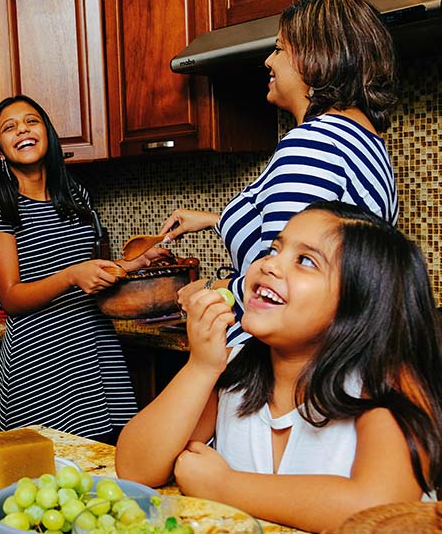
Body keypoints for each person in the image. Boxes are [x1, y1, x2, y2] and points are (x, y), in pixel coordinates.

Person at [117, 201, 442, 532]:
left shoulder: (389, 383)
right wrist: (199, 368)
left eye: (306, 261)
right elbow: (136, 468)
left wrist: (224, 486)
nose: (269, 265)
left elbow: (382, 508)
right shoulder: (232, 368)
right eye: (274, 250)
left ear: (361, 300)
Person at [157, 0, 398, 347]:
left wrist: (210, 289)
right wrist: (216, 220)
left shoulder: (314, 142)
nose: (269, 61)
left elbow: (280, 283)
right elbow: (318, 243)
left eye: (280, 48)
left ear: (316, 58)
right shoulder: (365, 141)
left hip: (278, 362)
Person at [0, 95, 164, 444]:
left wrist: (131, 264)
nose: (22, 130)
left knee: (104, 461)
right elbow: (11, 298)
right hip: (40, 360)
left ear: (47, 133)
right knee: (47, 466)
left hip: (94, 349)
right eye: (9, 128)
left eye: (31, 121)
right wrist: (72, 276)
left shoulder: (74, 195)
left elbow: (85, 271)